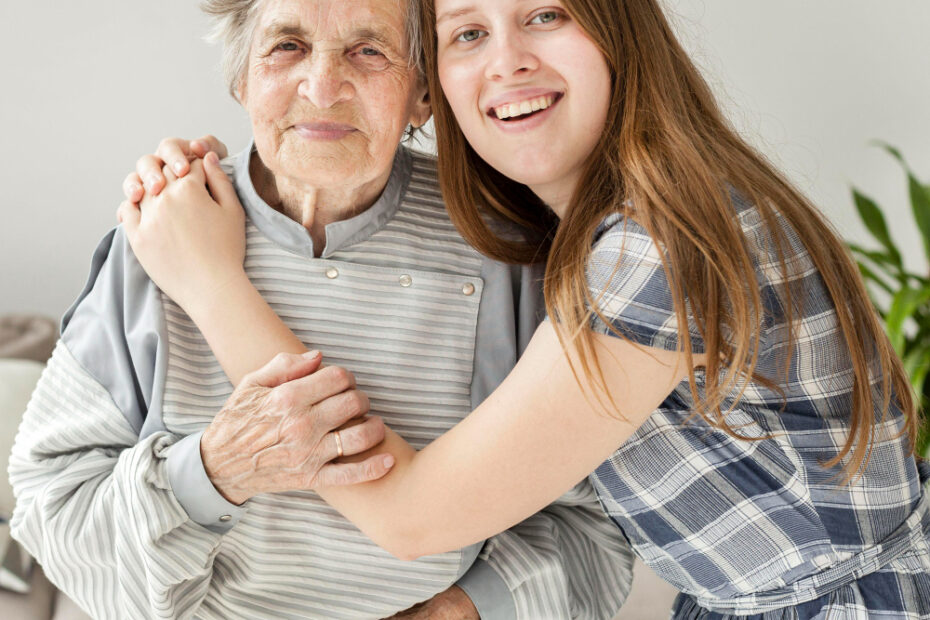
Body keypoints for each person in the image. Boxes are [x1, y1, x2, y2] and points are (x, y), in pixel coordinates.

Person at [112, 0, 930, 617]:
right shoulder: (592, 228)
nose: (506, 62)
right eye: (468, 33)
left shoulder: (653, 253)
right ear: (435, 90)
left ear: (621, 34)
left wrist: (208, 281)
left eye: (545, 14)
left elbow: (412, 516)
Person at [6, 0, 636, 618]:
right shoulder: (163, 228)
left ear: (423, 93)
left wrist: (461, 610)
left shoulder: (502, 246)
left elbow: (589, 525)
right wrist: (212, 471)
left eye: (368, 51)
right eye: (288, 46)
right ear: (241, 78)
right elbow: (51, 506)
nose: (323, 85)